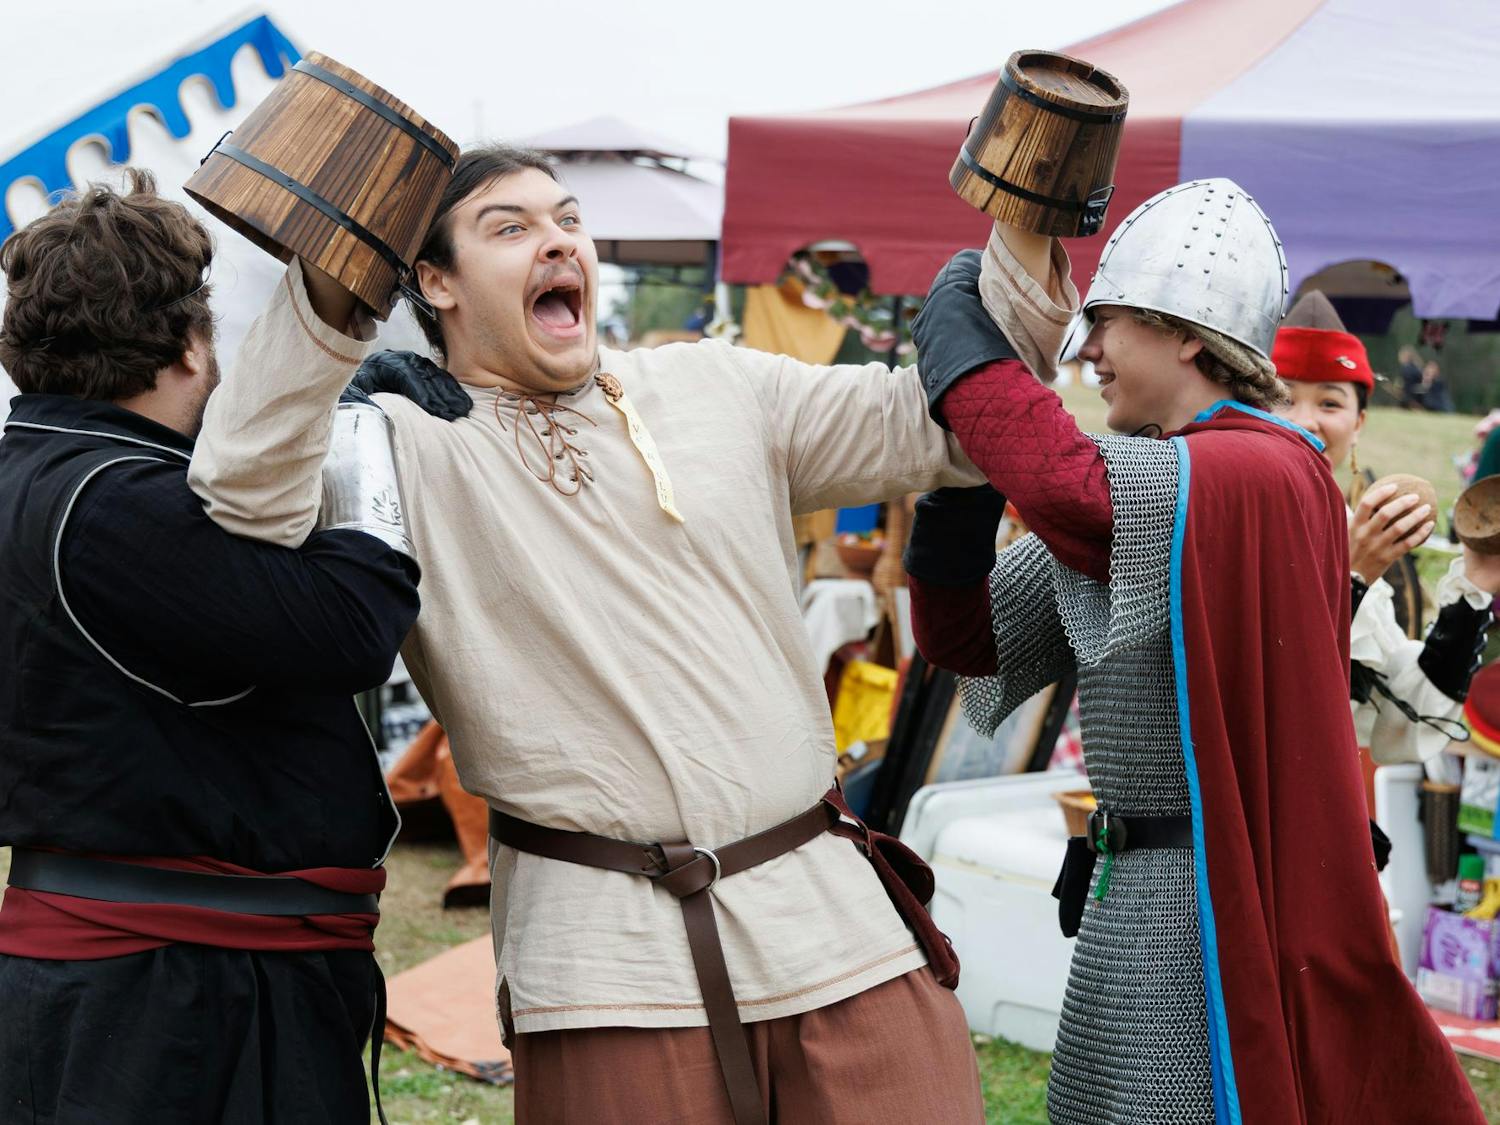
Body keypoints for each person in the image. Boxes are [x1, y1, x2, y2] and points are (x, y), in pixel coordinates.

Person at [187, 144, 991, 1124]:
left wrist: (1019, 253)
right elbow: (242, 498)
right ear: (435, 281)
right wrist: (330, 322)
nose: (558, 239)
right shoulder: (399, 439)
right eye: (511, 227)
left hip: (833, 924)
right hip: (607, 960)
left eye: (567, 219)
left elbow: (941, 428)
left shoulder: (714, 383)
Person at [901, 179, 1485, 1122]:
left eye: (1107, 322)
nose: (1089, 349)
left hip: (1214, 903)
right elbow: (966, 641)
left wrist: (968, 350)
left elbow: (1070, 488)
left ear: (1183, 333)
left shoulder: (1264, 466)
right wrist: (960, 483)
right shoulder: (1148, 489)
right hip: (1133, 900)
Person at [0, 170, 421, 1123]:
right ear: (192, 345)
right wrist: (352, 432)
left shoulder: (43, 473)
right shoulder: (115, 504)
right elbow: (355, 626)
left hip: (129, 981)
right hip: (177, 1000)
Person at [1273, 291, 1495, 770]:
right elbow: (1269, 688)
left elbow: (1401, 716)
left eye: (1329, 402)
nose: (1305, 420)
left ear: (1358, 424)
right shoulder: (1222, 513)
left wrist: (1476, 582)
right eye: (1282, 397)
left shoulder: (1350, 524)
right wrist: (1352, 575)